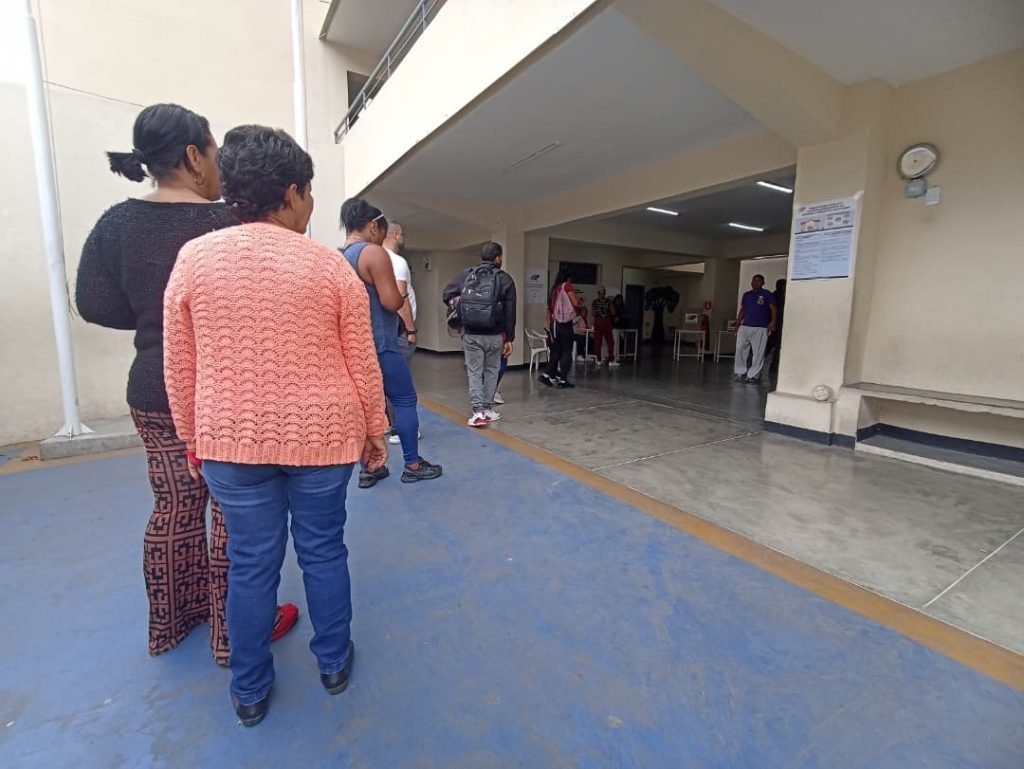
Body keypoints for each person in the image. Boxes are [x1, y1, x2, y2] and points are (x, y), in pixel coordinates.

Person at [164, 125, 389, 727]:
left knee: (251, 562)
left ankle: (249, 688)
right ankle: (334, 660)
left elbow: (179, 365)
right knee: (322, 550)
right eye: (310, 193)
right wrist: (375, 432)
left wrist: (192, 438)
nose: (311, 204)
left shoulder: (194, 260)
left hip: (230, 443)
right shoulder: (328, 267)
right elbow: (361, 362)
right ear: (291, 193)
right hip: (324, 438)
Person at [75, 104, 297, 669]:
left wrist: (157, 321)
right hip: (222, 392)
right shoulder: (226, 225)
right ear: (195, 156)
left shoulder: (115, 224)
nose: (220, 165)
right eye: (215, 152)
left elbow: (95, 304)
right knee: (231, 514)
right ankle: (234, 633)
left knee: (172, 506)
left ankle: (171, 624)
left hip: (152, 386)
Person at [341, 200, 441, 486]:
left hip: (354, 349)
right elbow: (391, 302)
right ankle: (412, 464)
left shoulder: (338, 257)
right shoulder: (373, 253)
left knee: (365, 408)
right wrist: (401, 296)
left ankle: (369, 469)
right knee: (404, 400)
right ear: (373, 226)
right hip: (382, 344)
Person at [443, 242, 517, 427]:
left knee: (475, 372)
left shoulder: (467, 274)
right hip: (496, 335)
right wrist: (509, 338)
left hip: (471, 334)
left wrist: (458, 305)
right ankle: (488, 409)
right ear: (498, 258)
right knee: (492, 371)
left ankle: (478, 412)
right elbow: (510, 312)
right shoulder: (505, 279)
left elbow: (447, 294)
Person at [382, 221, 421, 446]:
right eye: (402, 234)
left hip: (386, 332)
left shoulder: (377, 260)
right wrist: (411, 330)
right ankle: (404, 430)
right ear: (395, 234)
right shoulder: (396, 262)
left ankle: (391, 423)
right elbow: (400, 298)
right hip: (399, 331)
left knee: (388, 380)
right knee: (402, 383)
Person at [539, 269, 581, 388]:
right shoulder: (566, 286)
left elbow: (549, 309)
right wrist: (579, 301)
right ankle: (563, 380)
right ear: (568, 278)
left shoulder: (554, 289)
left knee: (556, 351)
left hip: (554, 325)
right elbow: (576, 303)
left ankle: (546, 375)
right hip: (564, 324)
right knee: (567, 352)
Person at [734, 273, 777, 384]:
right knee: (740, 348)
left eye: (758, 281)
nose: (755, 283)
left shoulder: (767, 294)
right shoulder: (747, 295)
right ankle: (740, 371)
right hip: (745, 326)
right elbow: (743, 310)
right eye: (754, 281)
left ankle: (753, 375)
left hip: (761, 327)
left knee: (758, 352)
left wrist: (773, 322)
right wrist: (738, 324)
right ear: (751, 282)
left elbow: (773, 309)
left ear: (763, 283)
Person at [591, 287, 619, 367]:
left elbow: (593, 313)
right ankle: (611, 360)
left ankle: (599, 360)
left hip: (597, 321)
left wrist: (598, 312)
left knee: (597, 342)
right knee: (610, 342)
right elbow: (613, 312)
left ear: (598, 293)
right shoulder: (609, 301)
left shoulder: (595, 301)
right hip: (606, 322)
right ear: (605, 293)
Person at [767, 278, 787, 376]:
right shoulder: (778, 296)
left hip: (776, 324)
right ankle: (774, 366)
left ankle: (773, 365)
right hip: (777, 324)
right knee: (775, 345)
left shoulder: (773, 295)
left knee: (771, 344)